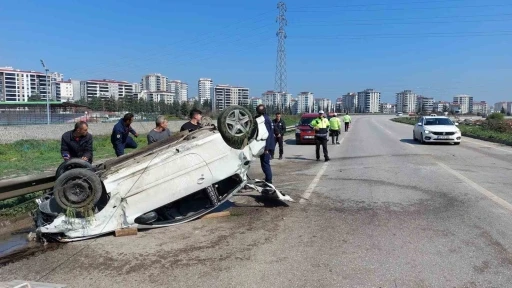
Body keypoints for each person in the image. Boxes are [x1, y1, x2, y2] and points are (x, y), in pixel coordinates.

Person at [256, 104, 275, 183]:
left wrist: (266, 148)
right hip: (268, 144)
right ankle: (268, 178)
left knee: (265, 163)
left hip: (266, 146)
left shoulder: (264, 120)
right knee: (264, 163)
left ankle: (269, 180)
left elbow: (267, 135)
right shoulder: (267, 118)